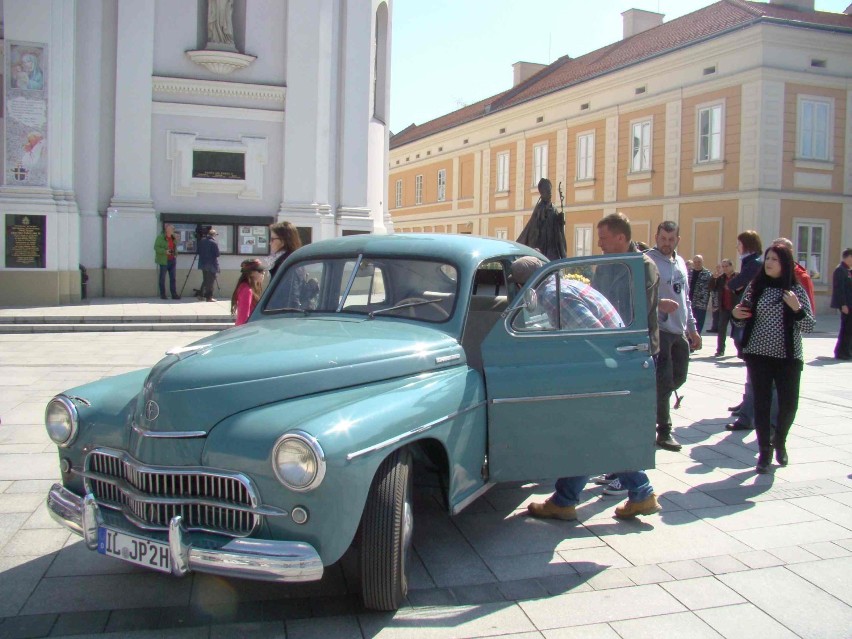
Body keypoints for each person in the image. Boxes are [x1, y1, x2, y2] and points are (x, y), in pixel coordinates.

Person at [513, 256, 662, 521]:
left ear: (526, 285)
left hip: (604, 368)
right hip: (615, 363)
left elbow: (592, 335)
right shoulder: (563, 285)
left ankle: (640, 491)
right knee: (586, 434)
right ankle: (566, 499)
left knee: (592, 433)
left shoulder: (552, 295)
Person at [589, 212, 661, 496]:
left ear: (621, 237)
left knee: (629, 416)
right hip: (610, 348)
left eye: (604, 238)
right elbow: (597, 297)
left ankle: (632, 478)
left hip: (634, 349)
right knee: (612, 413)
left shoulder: (642, 266)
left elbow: (638, 310)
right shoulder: (607, 264)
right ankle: (619, 469)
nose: (600, 244)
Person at [732, 244, 814, 472]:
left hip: (788, 356)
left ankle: (780, 440)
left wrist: (797, 309)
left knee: (789, 405)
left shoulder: (795, 291)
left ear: (785, 263)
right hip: (759, 355)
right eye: (767, 258)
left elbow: (809, 326)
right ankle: (764, 451)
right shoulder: (755, 287)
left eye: (775, 259)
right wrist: (736, 315)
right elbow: (741, 317)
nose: (769, 262)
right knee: (762, 404)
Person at [645, 222, 701, 452]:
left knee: (678, 377)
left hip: (679, 331)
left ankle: (653, 407)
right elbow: (639, 294)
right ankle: (664, 430)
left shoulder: (679, 262)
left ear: (678, 239)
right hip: (660, 330)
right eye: (663, 239)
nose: (666, 244)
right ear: (656, 237)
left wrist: (692, 328)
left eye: (671, 239)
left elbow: (685, 298)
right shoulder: (648, 260)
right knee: (665, 381)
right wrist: (658, 305)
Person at [516, 178, 566, 261]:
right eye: (547, 191)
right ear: (542, 193)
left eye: (550, 190)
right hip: (542, 248)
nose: (549, 193)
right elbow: (533, 230)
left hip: (553, 248)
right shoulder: (539, 209)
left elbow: (558, 230)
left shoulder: (553, 208)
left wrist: (560, 220)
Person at [774, 237, 815, 315]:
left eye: (780, 252)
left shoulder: (802, 277)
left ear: (790, 252)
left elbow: (809, 311)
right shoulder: (768, 275)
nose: (775, 255)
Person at [710, 259, 737, 357]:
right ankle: (720, 350)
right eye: (723, 266)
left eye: (726, 266)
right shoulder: (721, 278)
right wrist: (714, 278)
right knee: (721, 329)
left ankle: (740, 350)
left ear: (731, 266)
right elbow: (712, 288)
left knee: (737, 330)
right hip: (724, 308)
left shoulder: (737, 277)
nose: (725, 268)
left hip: (735, 308)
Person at [831, 248, 852, 360]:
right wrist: (843, 305)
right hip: (846, 305)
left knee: (849, 329)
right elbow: (839, 289)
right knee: (846, 329)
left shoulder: (848, 270)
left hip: (850, 304)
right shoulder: (840, 270)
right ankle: (842, 352)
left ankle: (847, 350)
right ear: (848, 257)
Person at [232, 259, 265, 325]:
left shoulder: (249, 288)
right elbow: (243, 317)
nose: (263, 273)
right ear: (251, 273)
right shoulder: (246, 290)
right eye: (260, 271)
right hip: (246, 330)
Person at [154, 223, 180, 300]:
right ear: (167, 230)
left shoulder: (173, 238)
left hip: (172, 260)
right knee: (162, 278)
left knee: (173, 278)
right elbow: (156, 248)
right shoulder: (160, 237)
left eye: (173, 229)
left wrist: (175, 254)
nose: (173, 230)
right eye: (172, 229)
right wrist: (165, 251)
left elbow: (175, 247)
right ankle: (163, 294)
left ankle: (174, 294)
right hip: (164, 261)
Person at [688, 255, 713, 335]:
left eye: (699, 262)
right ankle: (689, 340)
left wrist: (713, 304)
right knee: (689, 321)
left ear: (702, 262)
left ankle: (697, 340)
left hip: (701, 303)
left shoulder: (707, 274)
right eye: (695, 262)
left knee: (699, 322)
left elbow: (712, 287)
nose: (697, 264)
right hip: (689, 301)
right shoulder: (689, 273)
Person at [197, 228, 221, 302]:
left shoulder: (202, 241)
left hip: (203, 263)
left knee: (205, 280)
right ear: (213, 235)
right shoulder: (214, 243)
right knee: (210, 281)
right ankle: (209, 297)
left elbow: (198, 251)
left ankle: (201, 295)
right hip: (211, 264)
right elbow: (217, 254)